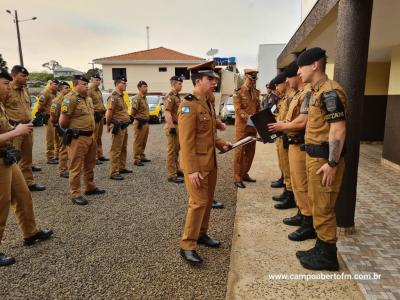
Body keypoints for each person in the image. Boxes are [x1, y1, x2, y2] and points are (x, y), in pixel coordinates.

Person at [295, 47, 347, 271]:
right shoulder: (316, 91)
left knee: (324, 208)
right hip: (314, 159)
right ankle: (320, 247)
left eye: (301, 66)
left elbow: (338, 130)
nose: (298, 72)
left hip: (324, 162)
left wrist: (333, 163)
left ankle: (328, 257)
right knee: (317, 205)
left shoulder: (330, 91)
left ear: (315, 65)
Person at [178, 61, 232, 265]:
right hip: (197, 166)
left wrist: (221, 144)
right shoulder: (188, 105)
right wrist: (191, 170)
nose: (215, 83)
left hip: (210, 163)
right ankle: (187, 245)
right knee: (198, 202)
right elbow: (186, 141)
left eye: (216, 79)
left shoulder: (208, 102)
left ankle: (201, 234)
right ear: (198, 81)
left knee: (207, 202)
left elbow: (208, 134)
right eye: (211, 79)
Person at [0, 67, 53, 267]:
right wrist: (15, 133)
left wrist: (18, 129)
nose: (7, 88)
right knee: (1, 203)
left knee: (22, 195)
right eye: (5, 84)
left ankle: (30, 233)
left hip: (7, 156)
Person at [268, 61, 316, 241]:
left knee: (302, 185)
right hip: (291, 141)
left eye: (289, 77)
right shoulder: (298, 94)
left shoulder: (308, 93)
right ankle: (302, 213)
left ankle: (307, 222)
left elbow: (302, 121)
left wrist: (282, 126)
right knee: (297, 183)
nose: (287, 81)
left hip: (301, 143)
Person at [59, 75, 105, 205]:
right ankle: (76, 193)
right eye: (84, 84)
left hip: (91, 136)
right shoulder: (70, 99)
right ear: (76, 85)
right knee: (76, 166)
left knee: (90, 164)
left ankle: (90, 187)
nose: (86, 86)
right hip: (78, 137)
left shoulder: (88, 99)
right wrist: (74, 130)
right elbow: (63, 121)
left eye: (87, 84)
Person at [4, 65, 45, 191]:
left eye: (26, 76)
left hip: (27, 127)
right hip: (14, 129)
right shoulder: (6, 89)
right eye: (22, 76)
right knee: (13, 158)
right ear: (13, 75)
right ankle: (12, 185)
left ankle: (28, 182)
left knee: (27, 157)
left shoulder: (25, 90)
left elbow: (29, 107)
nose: (25, 79)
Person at [271, 71, 296, 209]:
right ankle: (287, 191)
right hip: (282, 134)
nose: (276, 89)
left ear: (284, 82)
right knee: (285, 166)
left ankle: (290, 196)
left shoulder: (292, 96)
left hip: (288, 135)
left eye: (277, 86)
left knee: (289, 168)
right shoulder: (285, 97)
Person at [232, 69, 260, 189]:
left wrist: (260, 119)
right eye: (250, 80)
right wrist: (249, 118)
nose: (251, 82)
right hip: (242, 127)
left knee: (250, 152)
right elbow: (238, 110)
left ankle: (244, 174)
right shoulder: (238, 93)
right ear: (245, 78)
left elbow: (258, 108)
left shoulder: (256, 92)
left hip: (253, 127)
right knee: (239, 153)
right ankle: (237, 177)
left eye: (253, 80)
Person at [106, 77, 132, 180]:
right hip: (118, 126)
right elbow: (109, 113)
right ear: (117, 84)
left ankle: (121, 167)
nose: (126, 84)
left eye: (126, 83)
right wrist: (108, 125)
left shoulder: (121, 96)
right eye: (124, 83)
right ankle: (113, 171)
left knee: (123, 148)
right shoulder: (113, 97)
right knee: (116, 149)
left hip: (124, 126)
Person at [163, 76, 184, 184]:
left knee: (177, 149)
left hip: (178, 125)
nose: (181, 85)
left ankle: (176, 169)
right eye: (180, 84)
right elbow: (167, 112)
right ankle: (172, 174)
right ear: (174, 84)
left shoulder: (177, 96)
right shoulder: (170, 96)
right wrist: (171, 127)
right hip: (172, 125)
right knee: (172, 151)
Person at [50, 81, 70, 178]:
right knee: (63, 148)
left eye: (69, 88)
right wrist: (58, 127)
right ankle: (63, 170)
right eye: (66, 88)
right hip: (61, 127)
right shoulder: (56, 101)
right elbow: (53, 117)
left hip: (69, 126)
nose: (69, 89)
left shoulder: (69, 99)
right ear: (60, 89)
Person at [38, 78, 60, 164]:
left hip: (57, 118)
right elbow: (39, 107)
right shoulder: (45, 93)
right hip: (49, 117)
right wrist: (48, 112)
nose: (56, 86)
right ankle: (50, 157)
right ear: (50, 84)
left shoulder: (57, 93)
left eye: (57, 85)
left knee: (58, 137)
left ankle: (57, 155)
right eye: (55, 84)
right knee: (50, 138)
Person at [88, 74, 108, 164]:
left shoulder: (98, 90)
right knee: (94, 137)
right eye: (96, 80)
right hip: (95, 116)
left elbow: (100, 103)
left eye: (99, 80)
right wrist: (93, 113)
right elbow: (88, 104)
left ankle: (100, 155)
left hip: (100, 115)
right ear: (92, 80)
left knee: (99, 137)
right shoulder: (89, 91)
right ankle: (93, 157)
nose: (98, 82)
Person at [131, 81, 150, 166]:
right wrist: (138, 118)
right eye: (144, 87)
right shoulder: (136, 98)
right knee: (138, 141)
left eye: (146, 86)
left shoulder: (144, 98)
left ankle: (142, 155)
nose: (146, 88)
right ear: (139, 88)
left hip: (145, 122)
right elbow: (133, 112)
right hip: (140, 122)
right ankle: (136, 158)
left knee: (143, 141)